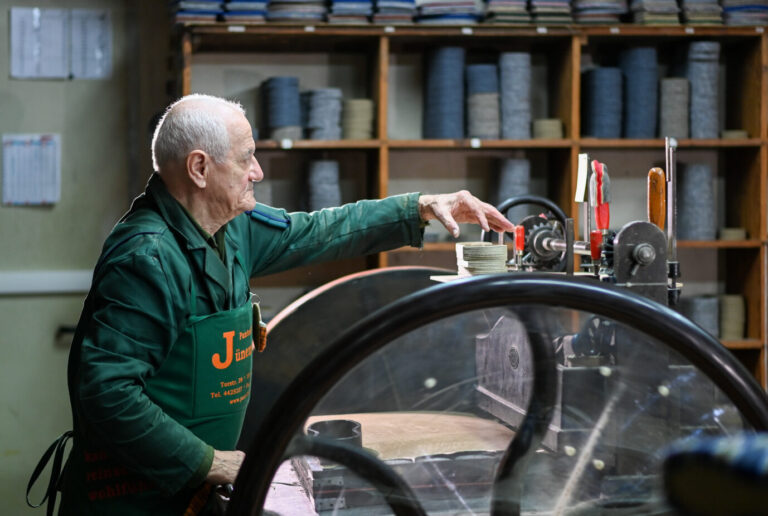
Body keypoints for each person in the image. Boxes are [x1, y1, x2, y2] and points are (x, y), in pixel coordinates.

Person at [46, 94, 515, 514]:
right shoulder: (146, 258)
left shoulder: (230, 228)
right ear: (199, 168)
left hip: (192, 494)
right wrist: (207, 461)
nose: (258, 172)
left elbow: (319, 229)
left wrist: (420, 207)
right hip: (136, 502)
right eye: (247, 158)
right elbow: (106, 394)